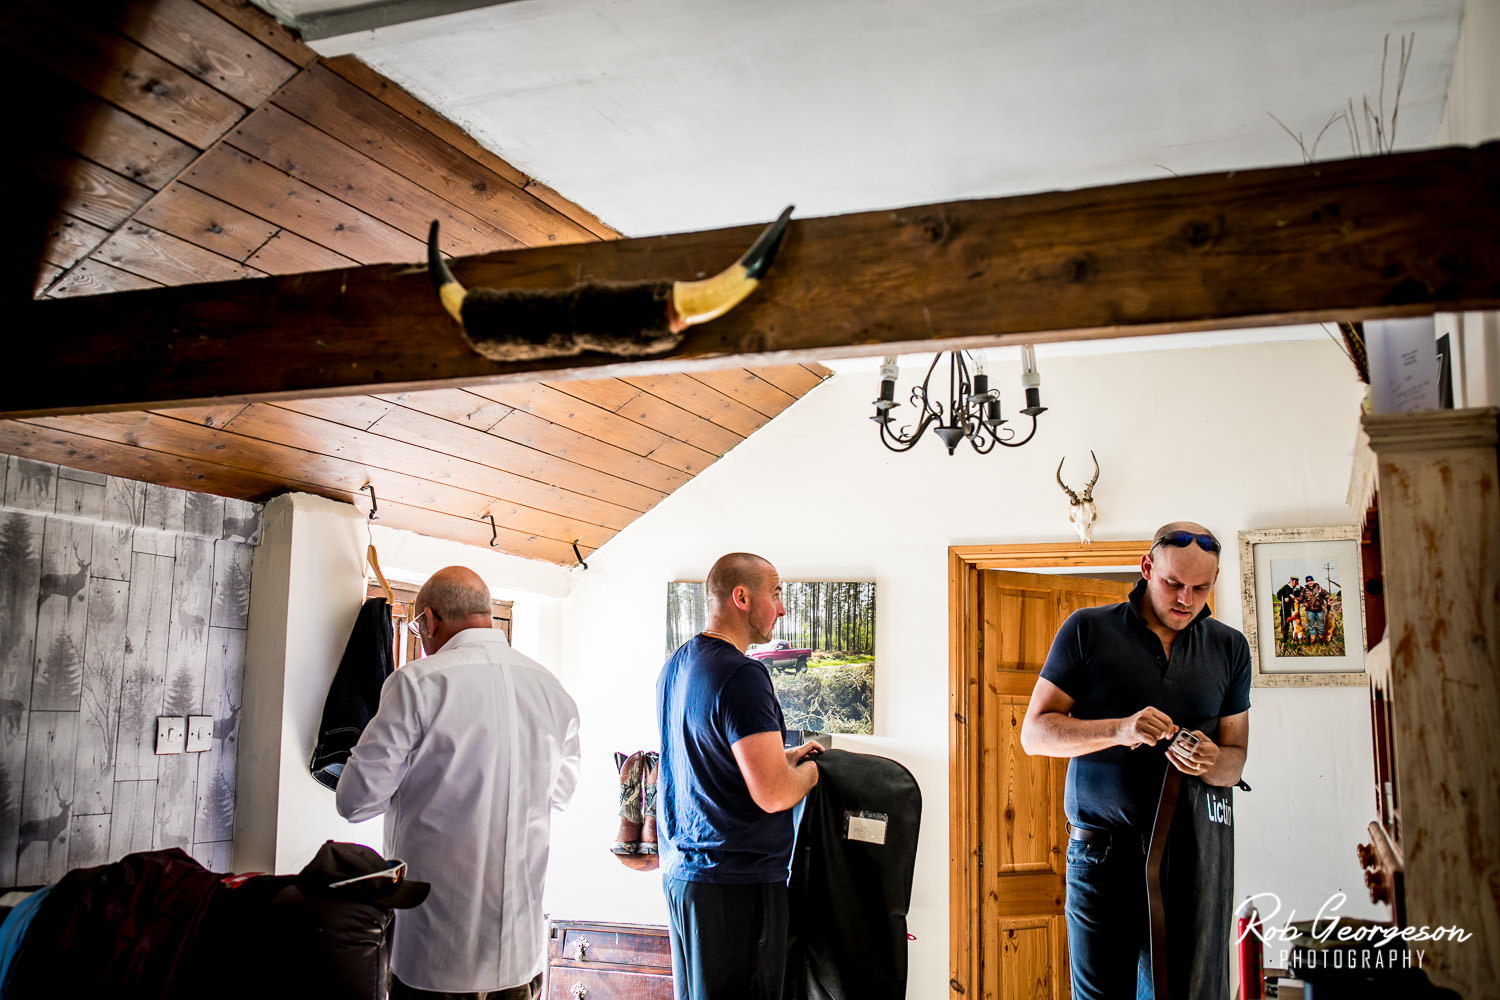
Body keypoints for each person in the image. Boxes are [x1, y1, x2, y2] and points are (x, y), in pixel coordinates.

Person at [1019, 522, 1251, 1000]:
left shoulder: (1230, 648)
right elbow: (1034, 734)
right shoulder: (1086, 629)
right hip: (1100, 855)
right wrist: (1119, 729)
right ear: (1147, 569)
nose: (1186, 599)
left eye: (1201, 588)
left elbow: (1236, 764)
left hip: (1189, 855)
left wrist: (1211, 760)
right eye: (1173, 583)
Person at [337, 567, 581, 1000]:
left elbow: (355, 801)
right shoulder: (552, 690)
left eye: (417, 628)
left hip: (434, 955)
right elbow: (559, 797)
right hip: (520, 957)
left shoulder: (418, 683)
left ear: (429, 620)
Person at [655, 552, 824, 1000]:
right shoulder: (743, 674)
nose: (782, 608)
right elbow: (772, 795)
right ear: (742, 597)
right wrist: (809, 773)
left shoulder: (677, 665)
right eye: (776, 593)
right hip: (735, 886)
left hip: (685, 877)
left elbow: (710, 758)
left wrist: (781, 755)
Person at [1275, 574, 1301, 646]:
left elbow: (1302, 597)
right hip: (1285, 610)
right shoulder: (1285, 587)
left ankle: (1295, 638)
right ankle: (1285, 637)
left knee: (1295, 625)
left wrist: (1298, 599)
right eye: (1292, 580)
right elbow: (1278, 594)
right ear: (1290, 580)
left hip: (1294, 610)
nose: (1294, 582)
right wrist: (1284, 598)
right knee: (1285, 624)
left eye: (1296, 580)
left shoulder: (1299, 588)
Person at [1301, 575, 1328, 643]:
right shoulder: (1304, 590)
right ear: (1306, 582)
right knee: (1311, 625)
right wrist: (1305, 604)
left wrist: (1329, 598)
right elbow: (1301, 599)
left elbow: (1326, 594)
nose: (1310, 582)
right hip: (1309, 611)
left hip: (1319, 610)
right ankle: (1312, 638)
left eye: (1311, 581)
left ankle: (1321, 637)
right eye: (1308, 581)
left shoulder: (1319, 588)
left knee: (1321, 624)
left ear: (1313, 581)